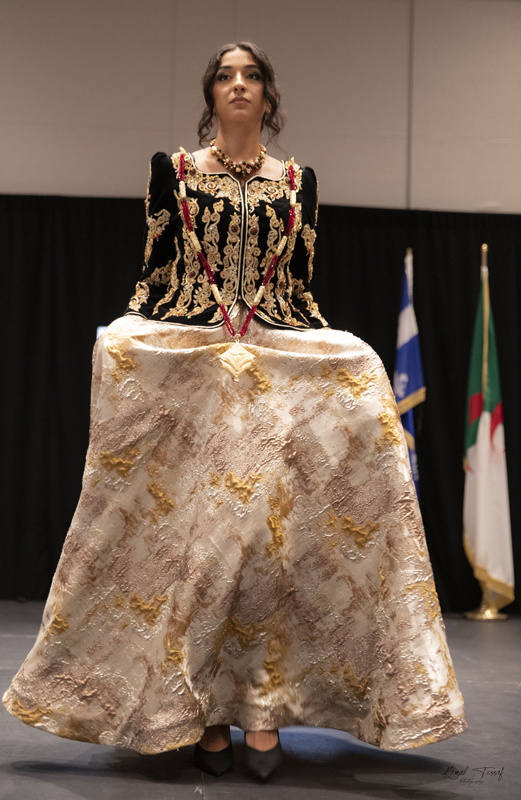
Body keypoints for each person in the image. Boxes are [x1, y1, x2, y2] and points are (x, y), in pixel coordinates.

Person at [3, 42, 467, 783]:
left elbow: (299, 289)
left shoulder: (298, 183)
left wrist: (317, 352)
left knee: (262, 542)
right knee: (200, 546)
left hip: (272, 360)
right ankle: (208, 713)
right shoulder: (175, 172)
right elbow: (154, 275)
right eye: (226, 75)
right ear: (211, 95)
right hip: (194, 365)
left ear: (267, 96)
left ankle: (261, 706)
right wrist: (129, 347)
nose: (239, 84)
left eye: (251, 75)